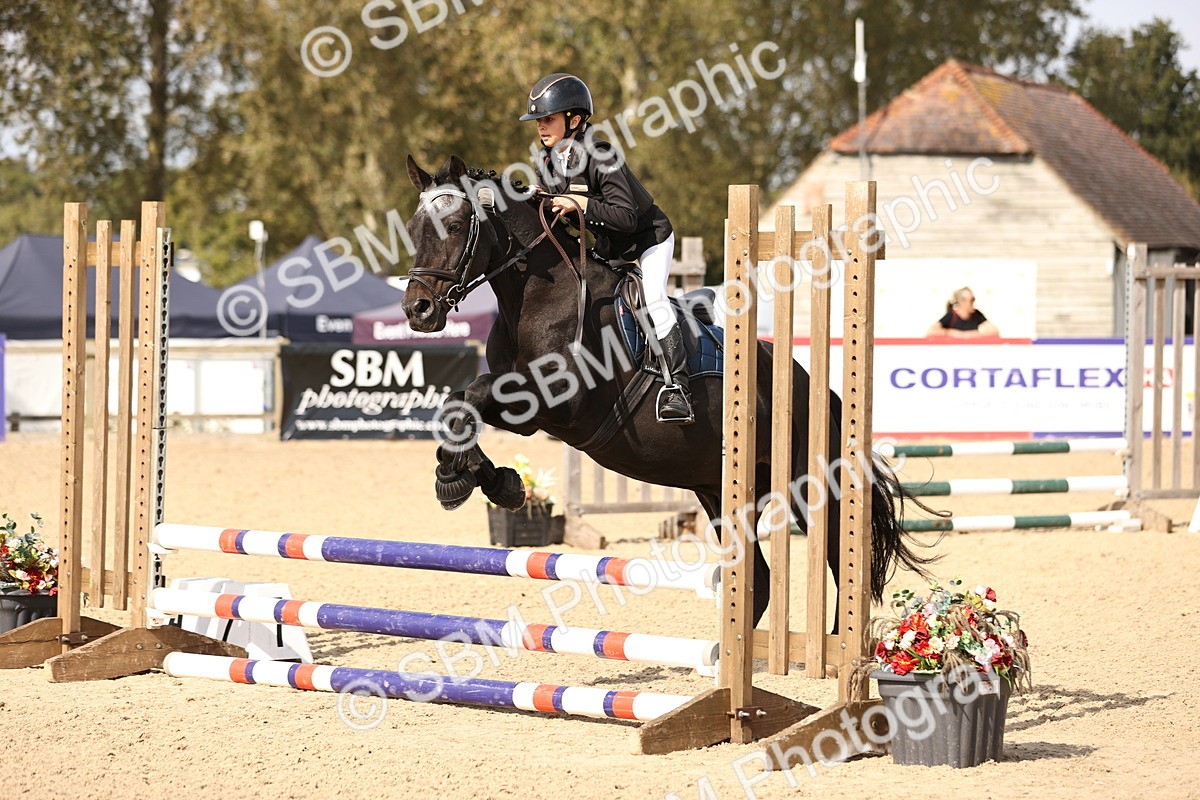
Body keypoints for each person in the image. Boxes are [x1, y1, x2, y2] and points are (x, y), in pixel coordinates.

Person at [519, 73, 692, 424]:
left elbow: (626, 217)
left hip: (647, 240)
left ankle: (678, 389)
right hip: (608, 248)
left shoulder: (602, 155)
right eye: (539, 121)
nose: (541, 127)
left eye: (548, 119)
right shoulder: (546, 160)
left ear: (576, 120)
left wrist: (578, 205)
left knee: (654, 299)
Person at [926, 287, 1000, 337]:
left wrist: (971, 334)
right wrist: (952, 333)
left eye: (973, 299)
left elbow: (994, 331)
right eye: (970, 300)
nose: (972, 303)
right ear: (961, 301)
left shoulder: (976, 314)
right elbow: (930, 331)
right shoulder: (952, 315)